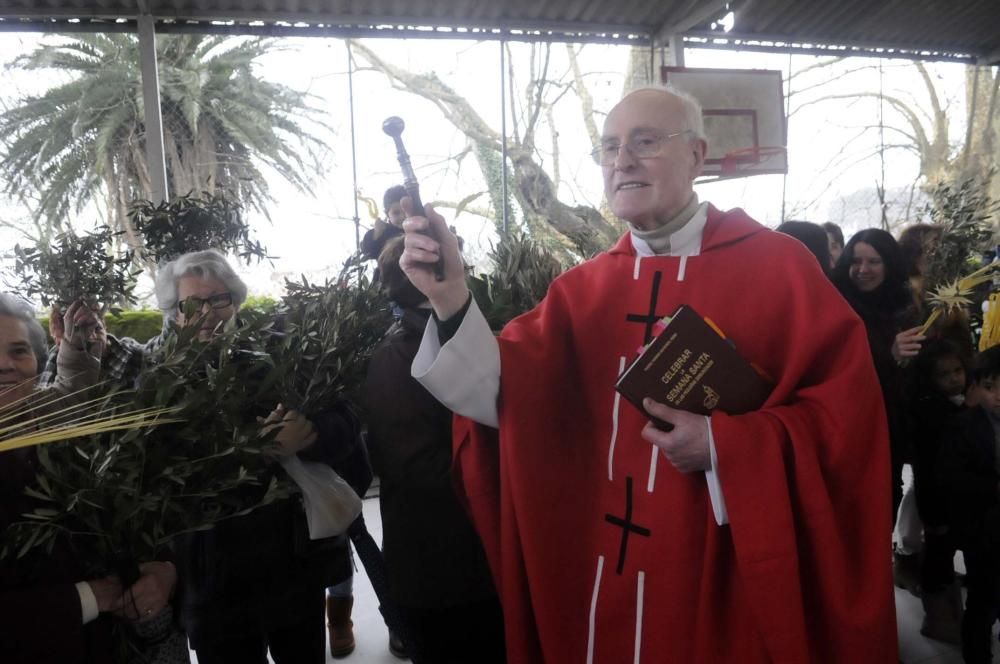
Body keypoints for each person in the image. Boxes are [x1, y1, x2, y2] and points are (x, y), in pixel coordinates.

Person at [400, 86, 896, 662]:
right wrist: (451, 297)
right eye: (609, 147)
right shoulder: (580, 292)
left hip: (722, 574)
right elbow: (501, 399)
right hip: (601, 574)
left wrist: (725, 445)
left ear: (698, 155)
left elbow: (849, 427)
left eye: (645, 142)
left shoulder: (781, 270)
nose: (622, 161)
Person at [0, 294, 179, 663]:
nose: (6, 366)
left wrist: (164, 570)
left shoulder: (50, 418)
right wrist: (90, 597)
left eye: (19, 351)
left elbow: (73, 388)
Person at [365, 237, 504, 664]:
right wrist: (508, 470)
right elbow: (415, 468)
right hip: (439, 568)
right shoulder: (396, 355)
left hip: (479, 560)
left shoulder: (465, 333)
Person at [832, 228, 922, 525]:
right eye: (856, 261)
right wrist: (889, 357)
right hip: (848, 430)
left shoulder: (906, 308)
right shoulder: (835, 305)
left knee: (885, 501)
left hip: (891, 428)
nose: (862, 270)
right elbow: (839, 371)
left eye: (874, 261)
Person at [939, 346, 1000, 663]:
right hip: (983, 533)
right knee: (982, 602)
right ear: (976, 387)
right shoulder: (964, 427)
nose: (998, 396)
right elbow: (955, 481)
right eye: (990, 387)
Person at [908, 339, 967, 643]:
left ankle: (948, 610)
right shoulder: (930, 412)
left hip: (956, 499)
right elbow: (930, 468)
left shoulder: (960, 403)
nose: (954, 378)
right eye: (945, 374)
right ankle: (936, 618)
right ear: (930, 378)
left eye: (958, 370)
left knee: (943, 553)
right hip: (937, 499)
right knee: (938, 554)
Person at [360, 184, 407, 262]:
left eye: (405, 211)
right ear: (387, 214)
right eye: (396, 213)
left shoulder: (420, 228)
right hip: (388, 273)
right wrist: (376, 234)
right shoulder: (384, 232)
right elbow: (368, 253)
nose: (403, 216)